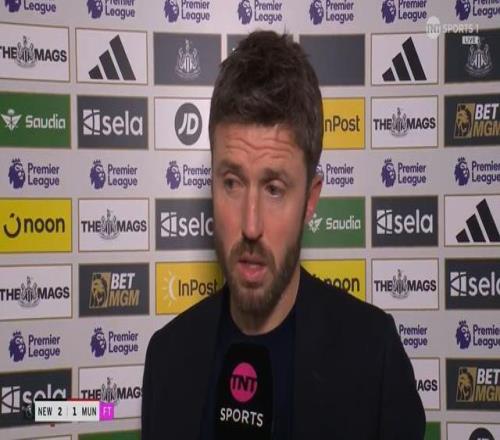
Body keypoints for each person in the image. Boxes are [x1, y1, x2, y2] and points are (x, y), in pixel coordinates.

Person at [142, 30, 425, 440]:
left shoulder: (374, 358)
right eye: (232, 183)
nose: (251, 225)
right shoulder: (167, 359)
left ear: (310, 199)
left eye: (274, 189)